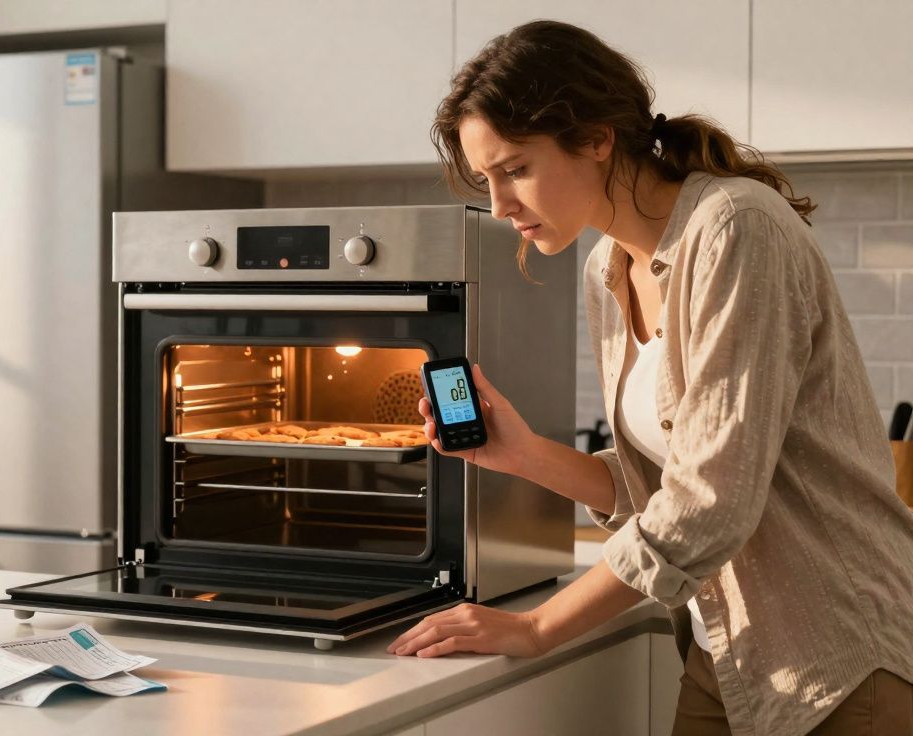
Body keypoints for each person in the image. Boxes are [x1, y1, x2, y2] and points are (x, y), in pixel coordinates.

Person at [386, 20, 913, 736]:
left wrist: (538, 628)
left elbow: (708, 503)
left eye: (515, 168)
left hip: (836, 658)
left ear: (597, 137)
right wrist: (521, 454)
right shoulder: (608, 271)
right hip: (724, 652)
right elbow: (662, 486)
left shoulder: (734, 229)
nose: (500, 203)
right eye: (485, 180)